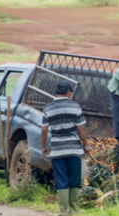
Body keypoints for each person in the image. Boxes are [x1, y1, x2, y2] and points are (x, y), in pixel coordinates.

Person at [41, 80, 90, 216]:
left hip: (57, 150)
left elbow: (44, 130)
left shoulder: (48, 108)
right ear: (68, 92)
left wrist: (43, 147)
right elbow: (80, 127)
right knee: (74, 178)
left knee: (61, 179)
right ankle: (74, 211)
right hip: (74, 149)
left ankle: (63, 211)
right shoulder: (75, 106)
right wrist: (85, 144)